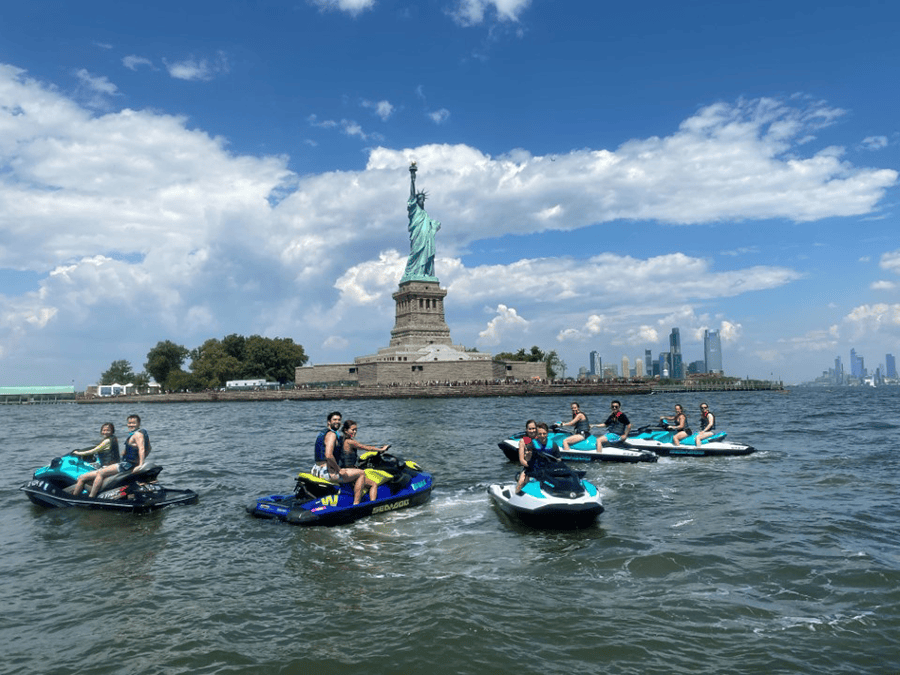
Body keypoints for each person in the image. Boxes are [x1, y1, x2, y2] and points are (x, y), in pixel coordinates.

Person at [72, 414, 150, 498]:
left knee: (100, 473)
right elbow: (148, 448)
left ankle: (91, 497)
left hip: (126, 465)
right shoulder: (142, 433)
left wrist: (141, 464)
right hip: (131, 463)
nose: (131, 425)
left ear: (139, 423)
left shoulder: (137, 435)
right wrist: (136, 460)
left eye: (133, 423)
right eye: (129, 423)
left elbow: (141, 449)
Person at [311, 411, 367, 505]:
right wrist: (338, 469)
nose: (337, 422)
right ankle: (356, 504)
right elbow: (328, 455)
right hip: (325, 471)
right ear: (329, 422)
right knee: (361, 473)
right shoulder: (331, 435)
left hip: (316, 469)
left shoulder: (322, 433)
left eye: (339, 420)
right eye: (334, 420)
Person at [400, 161, 441, 283]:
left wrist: (434, 226)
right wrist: (413, 178)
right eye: (420, 199)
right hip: (418, 237)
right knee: (416, 253)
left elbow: (433, 226)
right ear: (416, 200)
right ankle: (412, 273)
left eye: (423, 199)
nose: (422, 200)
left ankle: (424, 273)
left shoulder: (425, 214)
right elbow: (412, 194)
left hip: (426, 238)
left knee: (427, 254)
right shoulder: (414, 210)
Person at [341, 420, 390, 502]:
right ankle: (370, 504)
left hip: (345, 470)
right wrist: (380, 449)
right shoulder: (349, 442)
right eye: (352, 430)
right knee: (373, 484)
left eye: (356, 429)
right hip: (351, 472)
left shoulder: (342, 440)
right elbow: (365, 447)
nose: (355, 432)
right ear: (346, 430)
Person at [516, 422, 560, 493]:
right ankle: (516, 494)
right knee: (522, 480)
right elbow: (524, 460)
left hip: (548, 469)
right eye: (530, 429)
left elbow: (558, 460)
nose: (542, 436)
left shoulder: (552, 444)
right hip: (532, 468)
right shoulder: (528, 442)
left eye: (544, 433)